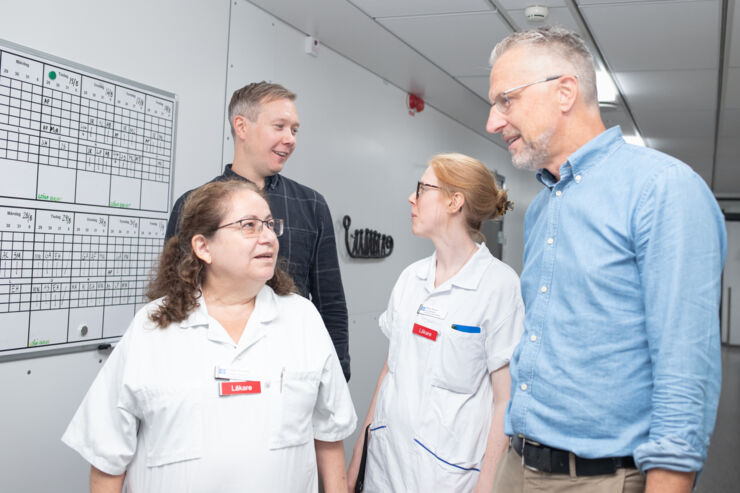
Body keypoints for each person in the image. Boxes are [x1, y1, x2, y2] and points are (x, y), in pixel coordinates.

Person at [486, 26, 726, 493]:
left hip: (603, 479)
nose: (493, 122)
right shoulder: (542, 208)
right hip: (518, 467)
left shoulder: (663, 190)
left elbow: (684, 374)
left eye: (505, 101)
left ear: (565, 92)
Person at [62, 179, 357, 493]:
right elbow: (108, 457)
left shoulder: (302, 319)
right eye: (249, 226)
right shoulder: (152, 327)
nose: (269, 237)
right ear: (203, 247)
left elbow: (329, 435)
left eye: (270, 225)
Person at [347, 153, 524, 492]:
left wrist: (488, 484)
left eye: (422, 189)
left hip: (449, 475)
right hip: (385, 464)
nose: (411, 198)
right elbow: (390, 369)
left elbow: (506, 399)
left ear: (454, 202)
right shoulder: (410, 278)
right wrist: (362, 446)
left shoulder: (499, 286)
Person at [165, 82, 351, 381]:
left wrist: (335, 379)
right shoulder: (192, 206)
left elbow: (331, 305)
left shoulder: (311, 205)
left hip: (289, 373)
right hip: (208, 370)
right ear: (242, 126)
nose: (289, 139)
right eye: (279, 126)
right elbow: (173, 296)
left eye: (294, 130)